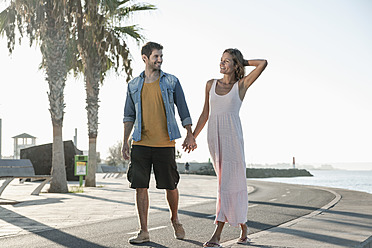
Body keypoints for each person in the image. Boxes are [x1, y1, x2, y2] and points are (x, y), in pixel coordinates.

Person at [191, 48, 267, 247]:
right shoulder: (210, 84)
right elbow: (204, 114)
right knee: (227, 184)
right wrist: (192, 136)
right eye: (221, 60)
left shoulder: (240, 86)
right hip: (214, 138)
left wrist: (243, 61)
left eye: (227, 61)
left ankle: (217, 234)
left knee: (228, 184)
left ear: (235, 66)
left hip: (233, 139)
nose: (222, 63)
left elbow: (263, 63)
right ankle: (243, 227)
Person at [122, 41, 196, 244]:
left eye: (161, 56)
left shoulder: (171, 81)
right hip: (140, 143)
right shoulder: (134, 85)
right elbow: (129, 116)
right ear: (145, 58)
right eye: (156, 56)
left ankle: (175, 218)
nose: (160, 60)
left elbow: (183, 109)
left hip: (165, 143)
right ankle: (144, 231)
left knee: (170, 186)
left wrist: (190, 134)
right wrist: (125, 142)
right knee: (140, 187)